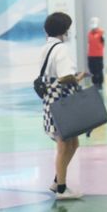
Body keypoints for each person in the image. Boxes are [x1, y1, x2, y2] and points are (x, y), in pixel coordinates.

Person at [37, 11, 89, 200]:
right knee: (64, 145)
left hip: (51, 99)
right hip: (62, 100)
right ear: (63, 30)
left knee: (72, 143)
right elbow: (65, 76)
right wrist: (78, 79)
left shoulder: (47, 48)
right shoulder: (62, 49)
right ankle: (61, 189)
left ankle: (57, 180)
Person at [86, 18, 106, 88]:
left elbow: (103, 43)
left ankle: (100, 84)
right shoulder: (89, 34)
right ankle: (94, 84)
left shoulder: (101, 33)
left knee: (99, 71)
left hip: (98, 56)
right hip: (91, 56)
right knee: (92, 71)